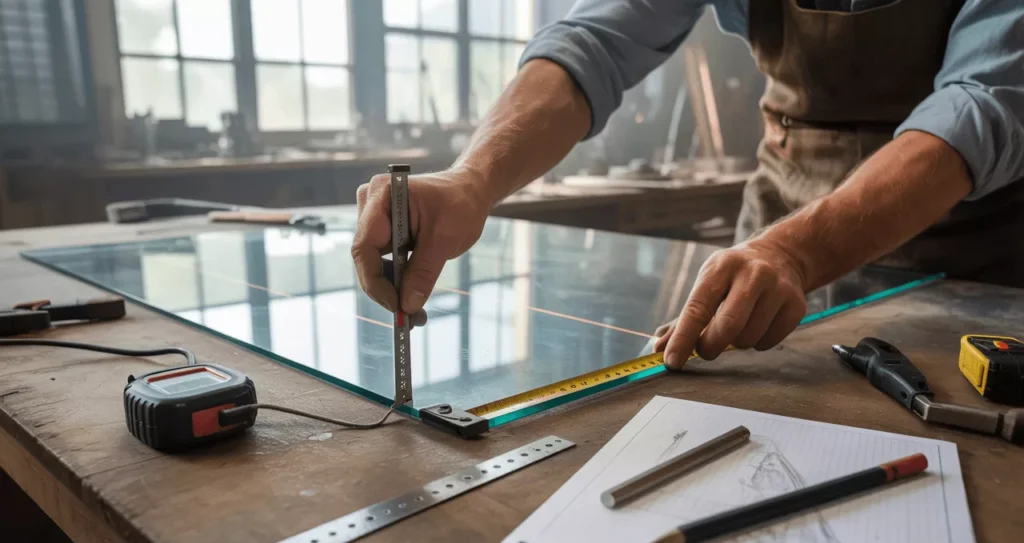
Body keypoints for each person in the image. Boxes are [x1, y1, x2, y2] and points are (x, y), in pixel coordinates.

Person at [353, 0, 1024, 371]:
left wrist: (793, 253)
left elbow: (982, 105)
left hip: (961, 258)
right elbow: (596, 40)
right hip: (770, 235)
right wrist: (472, 180)